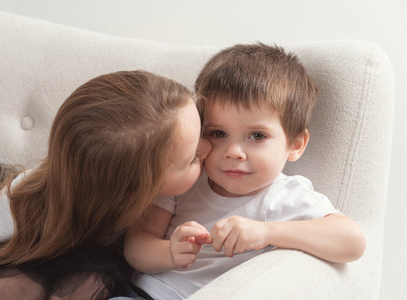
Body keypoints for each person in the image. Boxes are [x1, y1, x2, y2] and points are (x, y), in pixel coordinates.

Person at [123, 43, 367, 300]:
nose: (234, 152)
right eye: (218, 133)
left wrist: (267, 232)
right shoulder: (188, 177)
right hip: (142, 292)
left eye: (256, 136)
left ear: (295, 145)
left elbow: (352, 241)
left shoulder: (284, 196)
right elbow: (136, 244)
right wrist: (169, 252)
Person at [0, 70, 211, 299]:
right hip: (39, 245)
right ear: (137, 189)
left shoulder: (143, 192)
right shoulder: (23, 209)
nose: (209, 148)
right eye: (194, 158)